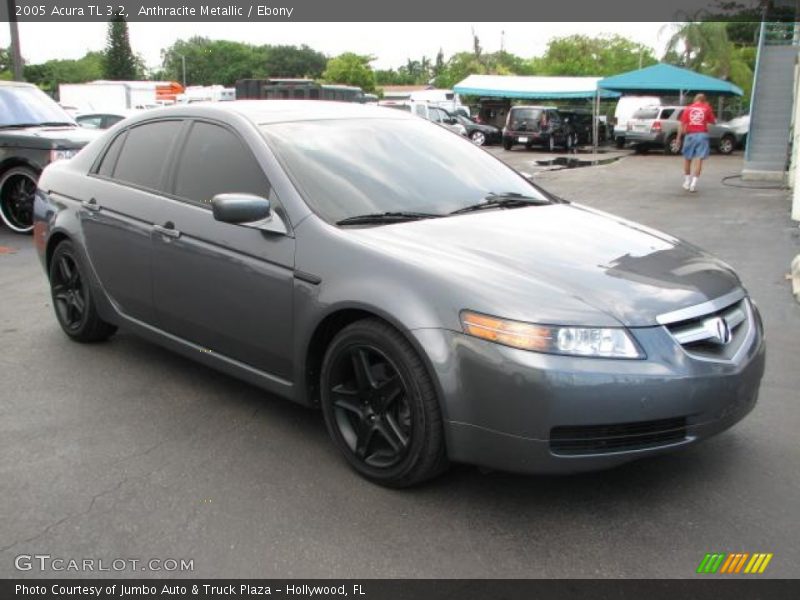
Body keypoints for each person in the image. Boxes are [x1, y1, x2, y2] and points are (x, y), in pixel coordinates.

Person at [676, 93, 716, 193]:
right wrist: (707, 108)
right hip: (702, 135)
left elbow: (682, 124)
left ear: (695, 99)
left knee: (687, 159)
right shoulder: (707, 108)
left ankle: (686, 182)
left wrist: (678, 138)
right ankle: (693, 184)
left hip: (690, 135)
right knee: (699, 160)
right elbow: (713, 121)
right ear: (704, 100)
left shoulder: (688, 108)